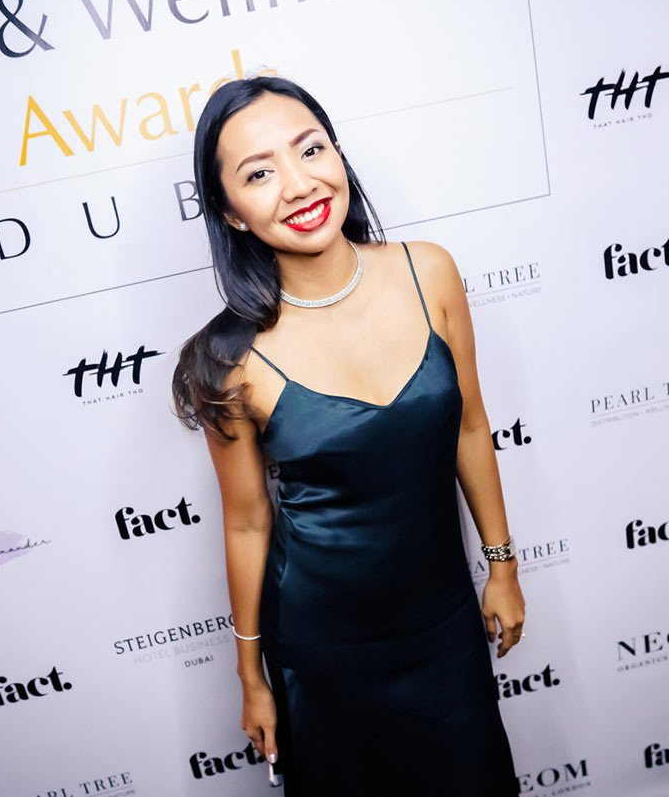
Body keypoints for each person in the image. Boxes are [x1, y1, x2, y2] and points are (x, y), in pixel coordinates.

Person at [171, 75, 526, 795]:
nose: (299, 184)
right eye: (259, 173)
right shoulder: (225, 360)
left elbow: (469, 425)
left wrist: (503, 566)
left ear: (338, 154)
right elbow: (246, 523)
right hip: (320, 646)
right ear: (231, 213)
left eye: (311, 150)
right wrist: (251, 675)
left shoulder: (430, 272)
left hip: (443, 622)